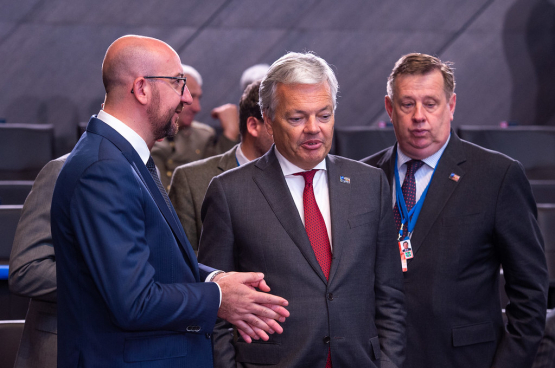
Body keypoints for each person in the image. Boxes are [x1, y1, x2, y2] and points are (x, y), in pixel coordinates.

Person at [50, 35, 289, 368]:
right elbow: (134, 302)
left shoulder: (121, 158)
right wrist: (219, 298)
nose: (188, 98)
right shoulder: (104, 169)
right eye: (179, 83)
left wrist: (213, 279)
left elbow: (155, 259)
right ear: (142, 89)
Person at [198, 52, 406, 368]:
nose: (313, 129)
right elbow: (216, 310)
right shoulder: (229, 192)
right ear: (267, 119)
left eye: (324, 115)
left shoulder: (370, 183)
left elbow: (389, 296)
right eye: (297, 118)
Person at [362, 53, 548, 368]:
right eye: (407, 104)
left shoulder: (497, 176)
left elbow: (530, 295)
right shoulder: (364, 177)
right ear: (390, 109)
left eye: (431, 103)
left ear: (451, 106)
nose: (419, 116)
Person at [169, 80, 273, 251]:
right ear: (254, 126)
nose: (295, 133)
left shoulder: (305, 178)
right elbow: (179, 259)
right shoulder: (191, 181)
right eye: (290, 121)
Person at [8, 155, 67, 368]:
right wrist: (112, 284)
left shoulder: (149, 176)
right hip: (62, 349)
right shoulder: (61, 171)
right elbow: (26, 270)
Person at [151, 64, 240, 191]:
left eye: (198, 97)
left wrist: (230, 134)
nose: (197, 108)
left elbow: (217, 178)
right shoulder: (145, 132)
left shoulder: (203, 136)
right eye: (190, 95)